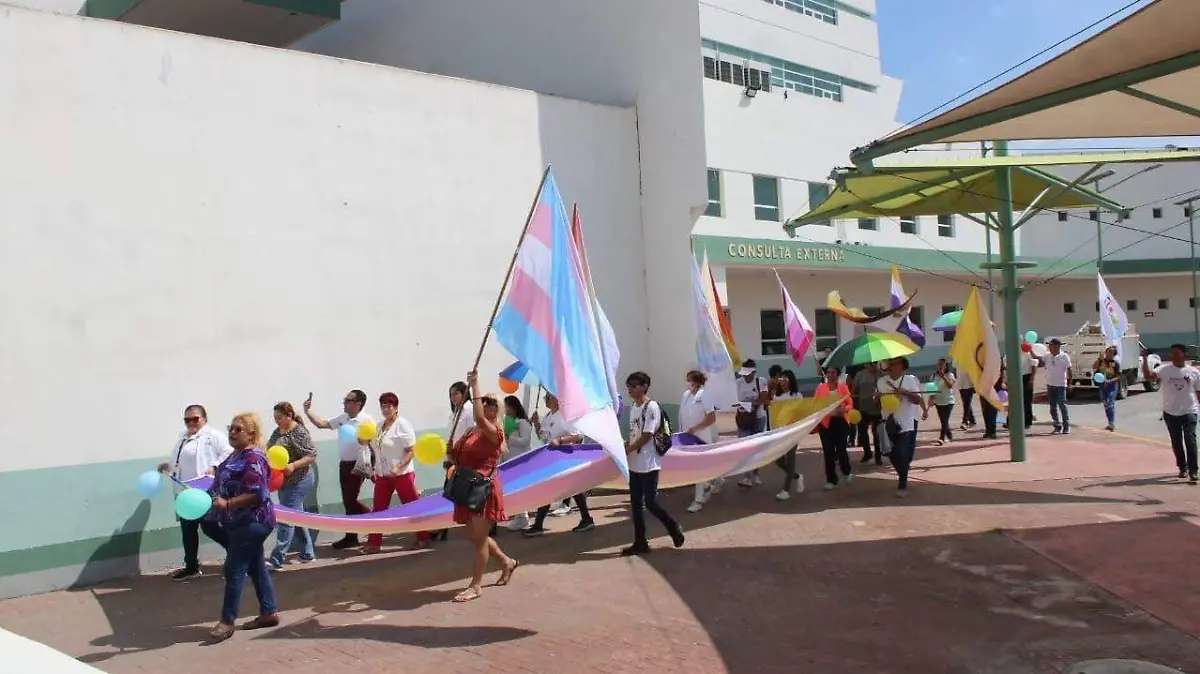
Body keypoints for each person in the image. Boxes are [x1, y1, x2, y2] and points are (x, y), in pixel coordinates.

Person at [201, 412, 278, 642]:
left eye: (238, 429)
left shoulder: (254, 457)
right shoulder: (234, 456)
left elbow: (256, 493)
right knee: (255, 564)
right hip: (235, 521)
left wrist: (227, 503)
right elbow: (218, 482)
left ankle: (227, 621)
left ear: (251, 433)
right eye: (230, 428)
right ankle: (268, 611)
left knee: (234, 568)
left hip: (254, 521)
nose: (232, 433)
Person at [447, 372, 518, 602]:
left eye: (492, 402)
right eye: (484, 401)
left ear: (498, 410)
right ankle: (507, 561)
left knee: (479, 538)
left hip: (482, 490)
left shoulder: (494, 432)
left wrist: (475, 386)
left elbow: (478, 417)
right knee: (476, 537)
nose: (487, 405)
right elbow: (455, 456)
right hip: (466, 487)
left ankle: (476, 586)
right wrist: (450, 450)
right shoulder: (471, 431)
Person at [158, 404, 234, 581]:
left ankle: (239, 555)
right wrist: (167, 466)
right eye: (187, 420)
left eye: (195, 419)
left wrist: (214, 466)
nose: (191, 423)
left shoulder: (213, 435)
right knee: (188, 529)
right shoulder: (183, 437)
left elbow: (229, 453)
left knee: (210, 527)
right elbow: (178, 460)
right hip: (185, 492)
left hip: (204, 490)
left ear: (204, 419)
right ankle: (191, 566)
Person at [623, 371, 685, 556]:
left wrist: (629, 449)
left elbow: (647, 435)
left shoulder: (652, 407)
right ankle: (640, 542)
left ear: (644, 387)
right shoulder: (634, 407)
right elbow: (634, 434)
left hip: (649, 462)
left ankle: (673, 526)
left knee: (650, 501)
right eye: (629, 386)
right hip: (634, 463)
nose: (630, 389)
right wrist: (624, 446)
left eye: (634, 386)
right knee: (636, 504)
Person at [303, 389, 375, 549]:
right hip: (344, 464)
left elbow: (373, 444)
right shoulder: (343, 418)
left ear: (358, 404)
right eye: (344, 399)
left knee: (350, 500)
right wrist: (308, 411)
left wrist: (373, 468)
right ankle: (351, 536)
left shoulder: (366, 421)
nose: (344, 402)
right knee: (347, 501)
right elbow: (323, 424)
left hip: (358, 465)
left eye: (348, 400)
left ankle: (373, 519)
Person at [361, 392, 428, 553]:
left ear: (396, 408)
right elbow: (373, 446)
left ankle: (423, 538)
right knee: (378, 510)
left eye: (389, 406)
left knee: (412, 507)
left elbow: (412, 450)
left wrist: (398, 467)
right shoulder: (378, 426)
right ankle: (374, 543)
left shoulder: (403, 425)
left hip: (402, 474)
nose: (385, 409)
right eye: (383, 406)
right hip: (383, 475)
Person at [524, 392, 595, 535]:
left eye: (548, 397)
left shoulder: (565, 416)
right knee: (569, 489)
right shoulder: (549, 416)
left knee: (558, 489)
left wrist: (560, 441)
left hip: (564, 459)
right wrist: (537, 423)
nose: (546, 400)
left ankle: (538, 525)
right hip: (551, 460)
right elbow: (543, 437)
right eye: (545, 397)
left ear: (557, 399)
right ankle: (586, 518)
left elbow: (578, 436)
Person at [265, 402, 318, 569]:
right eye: (275, 418)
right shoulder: (278, 431)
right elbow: (270, 448)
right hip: (284, 482)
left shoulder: (298, 431)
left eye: (279, 418)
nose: (277, 421)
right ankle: (308, 553)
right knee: (296, 516)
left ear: (289, 415)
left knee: (286, 519)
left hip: (299, 480)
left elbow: (311, 454)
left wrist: (293, 465)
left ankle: (276, 559)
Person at [1141, 344, 1200, 483]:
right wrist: (1144, 360)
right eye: (1171, 353)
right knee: (1176, 441)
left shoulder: (1194, 372)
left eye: (1176, 353)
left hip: (1189, 410)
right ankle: (1182, 467)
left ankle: (1194, 471)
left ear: (1184, 355)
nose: (1172, 356)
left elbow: (1198, 392)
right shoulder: (1164, 369)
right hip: (1170, 412)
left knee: (1190, 440)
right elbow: (1149, 376)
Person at [877, 357, 925, 498]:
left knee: (901, 452)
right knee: (891, 454)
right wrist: (876, 397)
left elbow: (917, 400)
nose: (891, 366)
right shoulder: (882, 381)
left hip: (905, 424)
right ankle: (902, 473)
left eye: (895, 363)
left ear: (903, 367)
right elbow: (878, 402)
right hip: (888, 423)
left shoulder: (909, 380)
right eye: (890, 363)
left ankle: (902, 482)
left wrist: (905, 393)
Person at [682, 370, 723, 513]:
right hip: (688, 438)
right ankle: (717, 480)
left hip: (702, 437)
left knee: (698, 469)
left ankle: (698, 500)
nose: (687, 383)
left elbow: (711, 418)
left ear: (698, 381)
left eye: (690, 380)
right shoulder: (686, 395)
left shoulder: (705, 394)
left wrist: (695, 428)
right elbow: (683, 415)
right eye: (687, 380)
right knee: (698, 467)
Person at [767, 369, 805, 501]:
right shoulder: (776, 397)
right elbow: (774, 416)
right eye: (781, 381)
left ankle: (786, 490)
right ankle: (797, 476)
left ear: (791, 381)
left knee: (790, 459)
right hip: (779, 433)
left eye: (786, 381)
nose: (783, 383)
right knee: (778, 460)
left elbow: (800, 413)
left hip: (792, 433)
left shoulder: (797, 396)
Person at [815, 366, 853, 491]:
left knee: (841, 449)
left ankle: (846, 470)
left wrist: (844, 410)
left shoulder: (843, 388)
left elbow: (850, 403)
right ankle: (831, 480)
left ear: (837, 375)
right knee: (828, 452)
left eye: (833, 372)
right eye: (828, 372)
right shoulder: (820, 388)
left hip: (841, 422)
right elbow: (816, 404)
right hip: (826, 424)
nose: (831, 374)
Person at [502, 396, 535, 532]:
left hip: (520, 460)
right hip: (509, 460)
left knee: (519, 488)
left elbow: (525, 441)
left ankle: (523, 517)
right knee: (513, 489)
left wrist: (510, 437)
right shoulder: (509, 422)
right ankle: (519, 515)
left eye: (506, 407)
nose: (505, 410)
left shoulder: (522, 422)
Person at [736, 359, 770, 488]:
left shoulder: (761, 381)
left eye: (748, 373)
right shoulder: (738, 383)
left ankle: (755, 474)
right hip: (743, 418)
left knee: (756, 447)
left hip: (758, 418)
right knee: (744, 448)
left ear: (754, 372)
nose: (745, 376)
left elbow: (763, 399)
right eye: (744, 373)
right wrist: (746, 404)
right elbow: (734, 399)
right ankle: (747, 476)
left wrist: (748, 404)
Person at [1038, 338, 1073, 435]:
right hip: (1050, 384)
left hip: (1061, 385)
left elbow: (1069, 370)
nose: (1049, 347)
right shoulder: (1047, 356)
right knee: (1052, 407)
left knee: (1062, 405)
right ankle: (1057, 425)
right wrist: (1031, 351)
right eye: (1049, 345)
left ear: (1057, 346)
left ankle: (1066, 426)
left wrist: (1070, 384)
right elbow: (1040, 362)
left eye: (1051, 345)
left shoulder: (1064, 356)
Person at [851, 362, 882, 464]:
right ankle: (867, 453)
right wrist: (854, 398)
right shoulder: (860, 375)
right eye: (870, 364)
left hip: (877, 408)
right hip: (863, 407)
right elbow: (854, 390)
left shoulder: (881, 375)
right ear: (865, 365)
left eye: (875, 363)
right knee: (862, 432)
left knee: (877, 433)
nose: (873, 365)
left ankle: (878, 456)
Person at [1094, 346, 1121, 432]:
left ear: (1114, 354)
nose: (1109, 353)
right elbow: (1094, 367)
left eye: (1111, 352)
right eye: (1108, 351)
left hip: (1112, 386)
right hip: (1102, 386)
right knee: (1106, 405)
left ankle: (1112, 423)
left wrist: (1109, 381)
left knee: (1110, 403)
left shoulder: (1116, 363)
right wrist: (1099, 358)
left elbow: (1118, 377)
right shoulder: (1101, 361)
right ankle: (1109, 422)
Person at [929, 359, 956, 445]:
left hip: (948, 401)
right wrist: (931, 399)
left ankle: (942, 438)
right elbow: (931, 390)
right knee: (943, 420)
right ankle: (949, 435)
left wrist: (943, 376)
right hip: (938, 401)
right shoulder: (933, 376)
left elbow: (950, 386)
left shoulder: (950, 375)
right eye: (939, 364)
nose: (940, 366)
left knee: (945, 420)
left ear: (946, 366)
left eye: (942, 365)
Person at [980, 366, 1006, 440]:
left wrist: (1002, 382)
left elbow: (1002, 373)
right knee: (986, 410)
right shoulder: (983, 362)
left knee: (992, 410)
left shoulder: (996, 362)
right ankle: (988, 431)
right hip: (985, 388)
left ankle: (992, 432)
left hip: (995, 388)